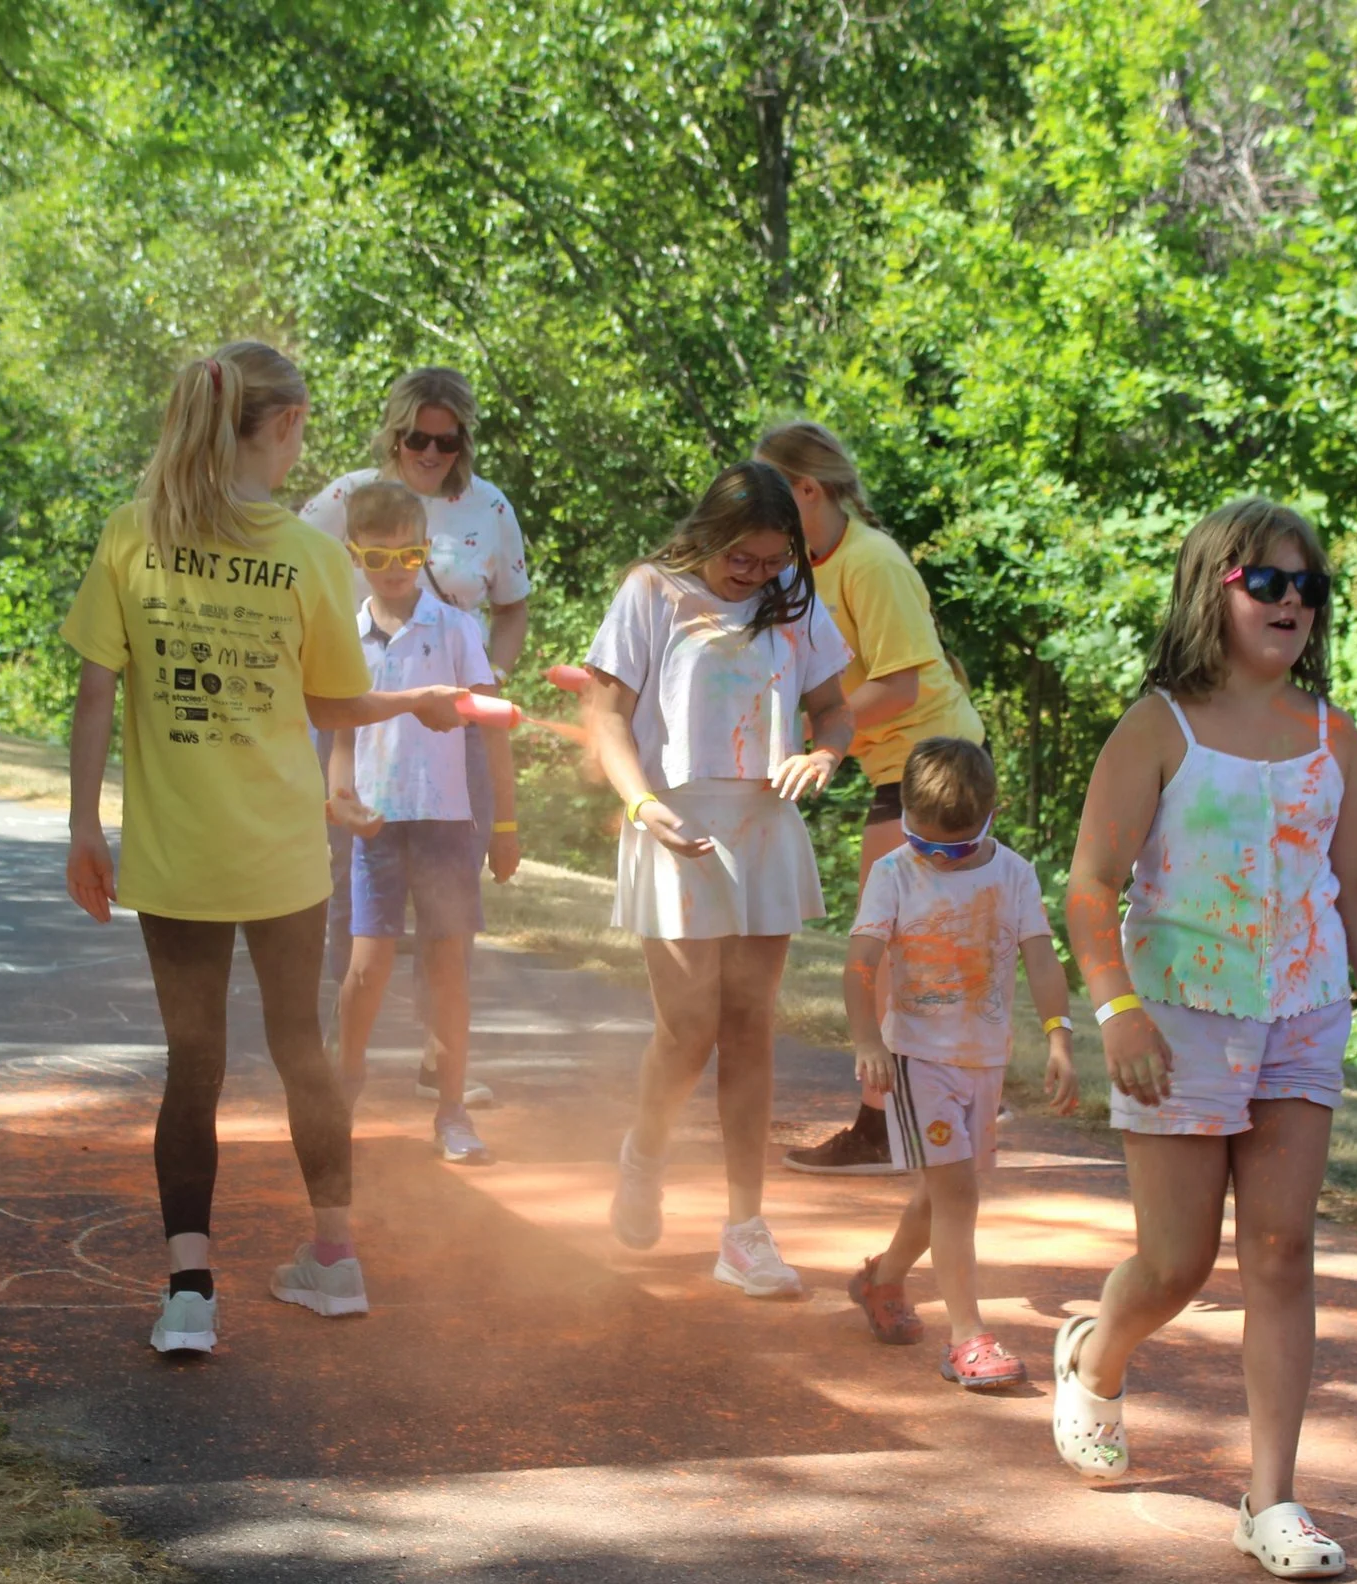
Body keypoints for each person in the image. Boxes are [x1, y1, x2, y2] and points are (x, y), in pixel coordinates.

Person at [62, 341, 468, 1357]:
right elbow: (333, 699)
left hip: (176, 848)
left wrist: (82, 824)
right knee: (303, 1049)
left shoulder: (133, 534)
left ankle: (190, 1293)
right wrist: (414, 702)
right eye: (300, 431)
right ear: (281, 426)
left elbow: (97, 690)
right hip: (285, 850)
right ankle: (333, 1259)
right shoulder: (304, 554)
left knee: (192, 1061)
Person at [1059, 497, 1357, 1580]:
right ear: (1215, 586)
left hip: (1303, 1014)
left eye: (1309, 587)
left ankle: (1272, 1495)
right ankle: (1095, 1353)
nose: (1293, 602)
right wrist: (1115, 1010)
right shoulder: (1156, 727)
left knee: (1279, 1250)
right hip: (1176, 1019)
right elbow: (1088, 887)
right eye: (1269, 581)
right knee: (1176, 1261)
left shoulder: (1328, 734)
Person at [585, 461, 854, 1298]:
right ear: (709, 533)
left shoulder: (795, 602)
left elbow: (835, 709)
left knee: (748, 1024)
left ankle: (745, 1230)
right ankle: (646, 1151)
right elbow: (605, 715)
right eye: (743, 559)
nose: (757, 575)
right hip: (674, 825)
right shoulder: (651, 593)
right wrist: (639, 806)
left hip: (763, 825)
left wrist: (823, 753)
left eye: (774, 562)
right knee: (688, 1024)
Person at [753, 421, 986, 1177]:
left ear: (808, 490)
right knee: (898, 948)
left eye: (772, 491)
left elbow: (904, 683)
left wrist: (826, 743)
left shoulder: (871, 561)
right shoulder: (799, 566)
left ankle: (887, 1125)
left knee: (883, 948)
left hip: (939, 763)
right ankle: (933, 1105)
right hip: (901, 768)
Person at [303, 368, 529, 1105]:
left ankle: (443, 1054)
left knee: (447, 887)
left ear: (464, 437)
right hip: (358, 703)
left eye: (448, 438)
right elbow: (285, 573)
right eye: (417, 438)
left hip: (452, 712)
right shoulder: (346, 498)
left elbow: (512, 607)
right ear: (394, 432)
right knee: (351, 884)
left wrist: (484, 679)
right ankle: (344, 1047)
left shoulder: (488, 505)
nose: (432, 451)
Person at [844, 738, 1075, 1387]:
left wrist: (1059, 1035)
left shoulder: (1015, 873)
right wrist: (867, 1039)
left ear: (992, 814)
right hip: (917, 1059)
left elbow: (1041, 957)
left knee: (936, 1194)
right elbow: (860, 964)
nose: (941, 860)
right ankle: (968, 1338)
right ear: (908, 821)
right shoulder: (894, 872)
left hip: (983, 1061)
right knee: (957, 1194)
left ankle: (881, 1280)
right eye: (928, 845)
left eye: (958, 847)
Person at [326, 481, 521, 1162]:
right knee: (367, 968)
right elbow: (344, 730)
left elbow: (492, 731)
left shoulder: (457, 628)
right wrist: (340, 795)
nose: (395, 569)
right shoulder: (345, 636)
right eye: (378, 558)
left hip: (446, 821)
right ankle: (340, 1090)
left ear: (424, 550)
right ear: (355, 556)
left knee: (447, 969)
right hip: (379, 825)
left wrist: (504, 825)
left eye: (408, 554)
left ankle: (452, 1111)